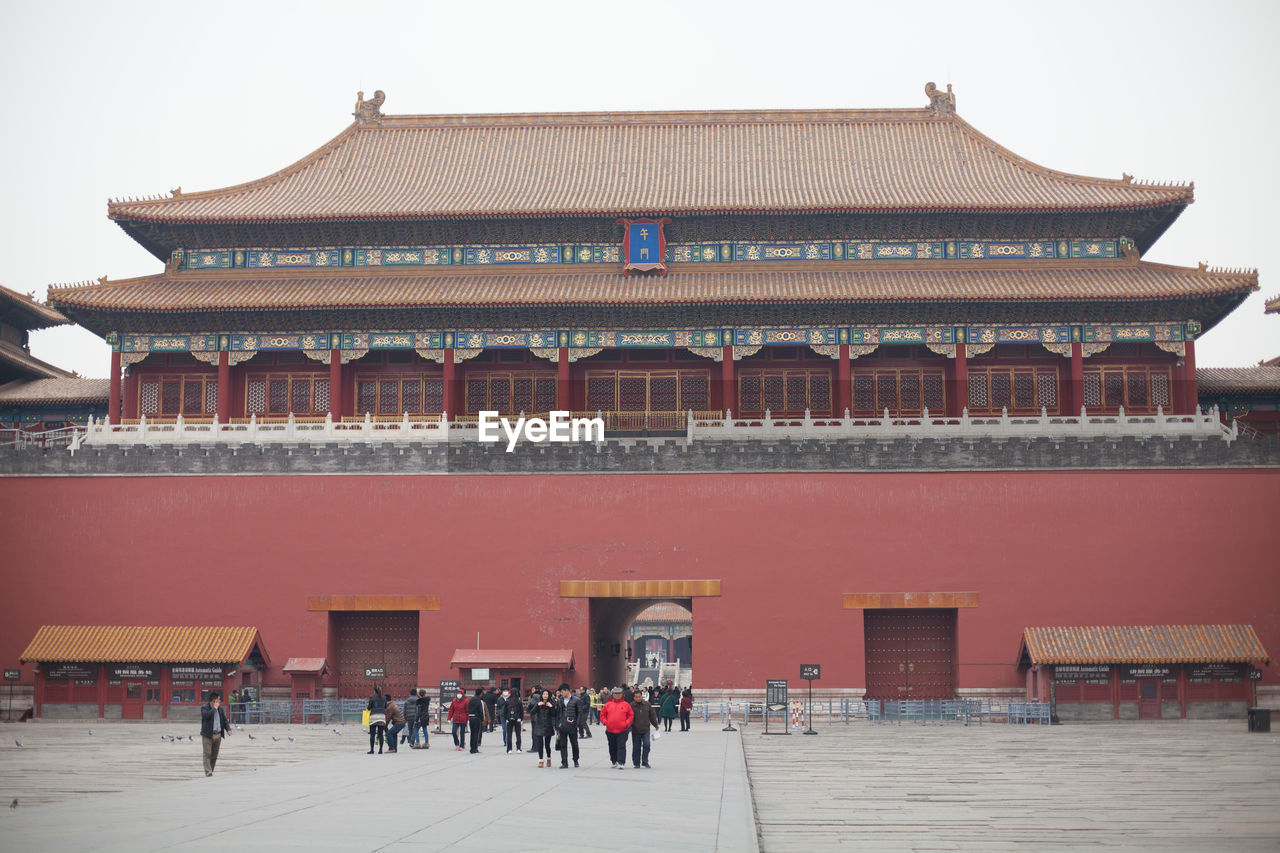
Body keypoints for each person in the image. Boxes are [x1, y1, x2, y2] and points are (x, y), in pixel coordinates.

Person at [599, 686, 634, 769]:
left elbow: (631, 715)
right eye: (615, 694)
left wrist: (626, 723)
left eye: (619, 694)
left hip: (623, 730)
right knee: (612, 746)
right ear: (613, 695)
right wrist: (605, 722)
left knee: (621, 745)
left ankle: (621, 762)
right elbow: (602, 715)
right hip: (610, 730)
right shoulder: (608, 704)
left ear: (622, 695)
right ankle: (614, 760)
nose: (617, 695)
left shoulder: (626, 705)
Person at [200, 690, 232, 776]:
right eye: (218, 700)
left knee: (214, 755)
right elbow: (206, 716)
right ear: (214, 701)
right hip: (208, 734)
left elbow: (224, 721)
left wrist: (228, 729)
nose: (220, 702)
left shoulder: (220, 710)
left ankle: (211, 769)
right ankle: (208, 771)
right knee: (207, 753)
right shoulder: (205, 708)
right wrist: (214, 708)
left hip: (218, 734)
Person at [629, 688, 659, 768]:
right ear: (634, 697)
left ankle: (645, 761)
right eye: (636, 697)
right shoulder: (631, 705)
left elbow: (652, 716)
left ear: (641, 696)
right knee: (636, 747)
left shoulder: (647, 704)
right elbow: (628, 718)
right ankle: (636, 763)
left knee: (647, 745)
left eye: (639, 696)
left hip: (645, 729)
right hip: (635, 730)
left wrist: (655, 725)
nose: (638, 698)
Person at [529, 689, 556, 767]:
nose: (545, 695)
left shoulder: (551, 703)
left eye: (547, 694)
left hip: (548, 725)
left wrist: (551, 707)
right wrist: (537, 705)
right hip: (539, 726)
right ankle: (540, 760)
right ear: (541, 695)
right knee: (540, 744)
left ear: (549, 695)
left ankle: (548, 758)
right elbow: (532, 712)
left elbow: (554, 714)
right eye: (544, 694)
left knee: (547, 745)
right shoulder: (538, 703)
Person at [556, 682, 580, 768]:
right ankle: (564, 762)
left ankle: (576, 760)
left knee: (574, 744)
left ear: (566, 690)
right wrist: (557, 725)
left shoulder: (576, 700)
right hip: (562, 725)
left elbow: (579, 713)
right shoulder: (560, 700)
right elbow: (558, 713)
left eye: (562, 692)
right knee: (563, 744)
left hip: (572, 725)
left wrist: (577, 724)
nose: (561, 694)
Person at [367, 687, 388, 755]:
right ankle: (380, 750)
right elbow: (385, 707)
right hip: (381, 717)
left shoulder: (372, 698)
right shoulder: (384, 698)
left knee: (372, 735)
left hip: (373, 717)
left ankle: (372, 750)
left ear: (374, 691)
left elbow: (369, 707)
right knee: (380, 734)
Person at [503, 686, 524, 753]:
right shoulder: (519, 700)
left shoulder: (507, 700)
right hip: (517, 718)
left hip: (509, 719)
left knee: (509, 734)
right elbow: (521, 711)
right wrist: (521, 718)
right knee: (518, 734)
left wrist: (506, 718)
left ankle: (509, 749)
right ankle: (518, 748)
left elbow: (504, 711)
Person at [467, 688, 486, 753]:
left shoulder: (471, 699)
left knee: (472, 733)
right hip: (477, 718)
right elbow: (481, 711)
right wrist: (483, 719)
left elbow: (468, 709)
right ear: (480, 693)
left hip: (470, 717)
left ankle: (471, 748)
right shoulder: (479, 701)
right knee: (476, 734)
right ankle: (475, 748)